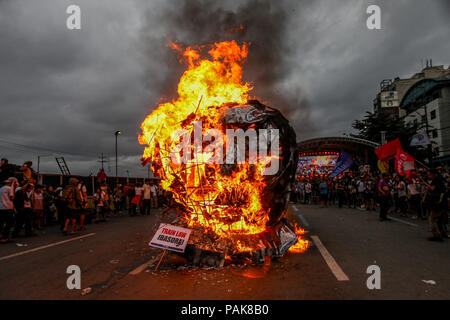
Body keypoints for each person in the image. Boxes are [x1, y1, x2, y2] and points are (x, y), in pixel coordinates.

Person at [421, 169, 448, 241]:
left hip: (438, 203)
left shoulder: (437, 180)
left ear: (435, 174)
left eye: (429, 174)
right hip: (442, 202)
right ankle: (443, 233)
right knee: (440, 219)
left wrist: (425, 183)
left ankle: (436, 235)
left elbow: (432, 188)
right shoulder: (441, 179)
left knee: (431, 218)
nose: (428, 176)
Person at [0, 177, 18, 243]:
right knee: (9, 223)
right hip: (7, 208)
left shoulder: (1, 188)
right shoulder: (9, 188)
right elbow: (12, 198)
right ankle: (5, 238)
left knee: (1, 223)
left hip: (1, 208)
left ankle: (1, 235)